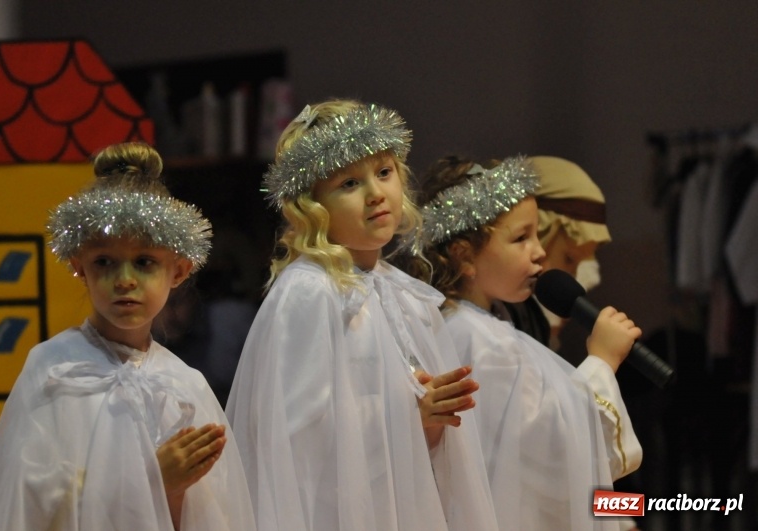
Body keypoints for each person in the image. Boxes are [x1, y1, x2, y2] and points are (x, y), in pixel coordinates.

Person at [225, 100, 497, 531]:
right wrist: (407, 417)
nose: (376, 193)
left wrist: (428, 418)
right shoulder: (311, 291)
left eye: (384, 172)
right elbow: (295, 442)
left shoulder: (400, 290)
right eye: (350, 182)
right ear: (312, 205)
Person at [0, 143, 256, 531]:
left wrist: (172, 492)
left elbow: (214, 516)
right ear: (79, 267)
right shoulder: (55, 371)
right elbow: (27, 509)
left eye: (145, 262)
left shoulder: (187, 387)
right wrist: (150, 481)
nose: (125, 280)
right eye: (104, 262)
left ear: (179, 270)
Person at [414, 154, 643, 531]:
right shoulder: (479, 339)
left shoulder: (485, 323)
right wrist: (602, 362)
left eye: (537, 234)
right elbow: (546, 450)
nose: (538, 251)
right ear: (464, 256)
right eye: (521, 238)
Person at [502, 156, 611, 354]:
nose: (575, 277)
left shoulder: (532, 320)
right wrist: (603, 360)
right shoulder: (493, 325)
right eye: (569, 259)